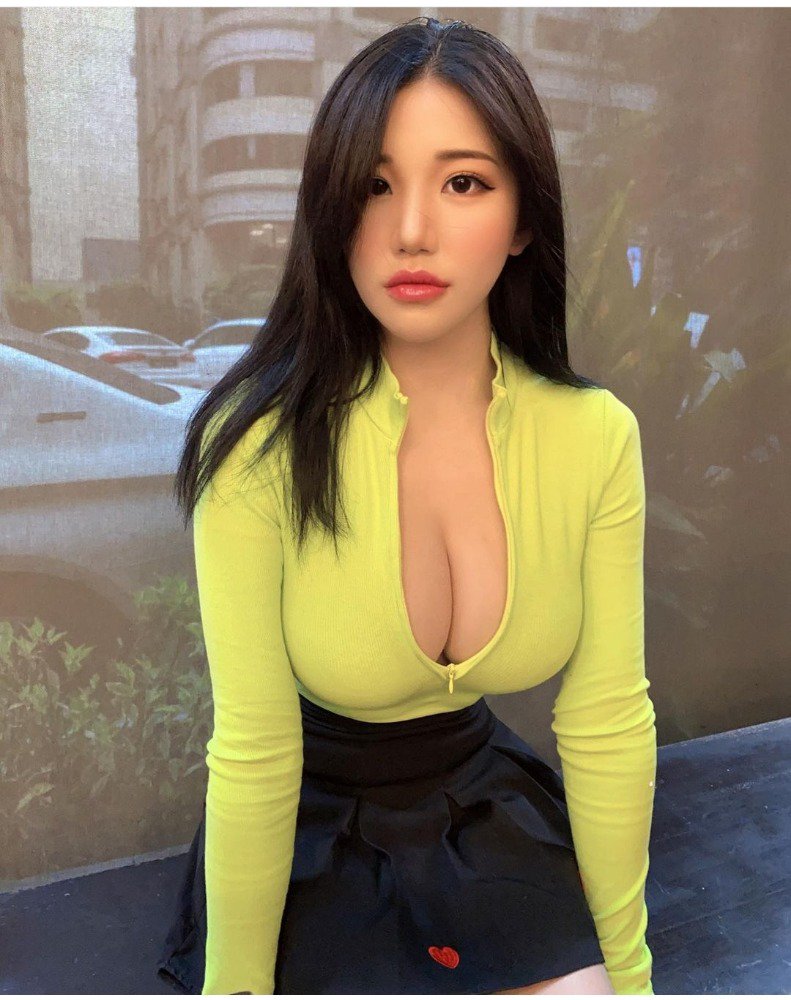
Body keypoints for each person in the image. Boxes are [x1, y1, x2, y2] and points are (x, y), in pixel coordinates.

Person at [156, 16, 657, 997]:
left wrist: (631, 978)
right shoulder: (257, 449)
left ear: (522, 218)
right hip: (311, 831)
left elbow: (606, 721)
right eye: (374, 185)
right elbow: (254, 750)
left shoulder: (595, 437)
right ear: (330, 212)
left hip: (483, 809)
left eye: (462, 182)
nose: (411, 230)